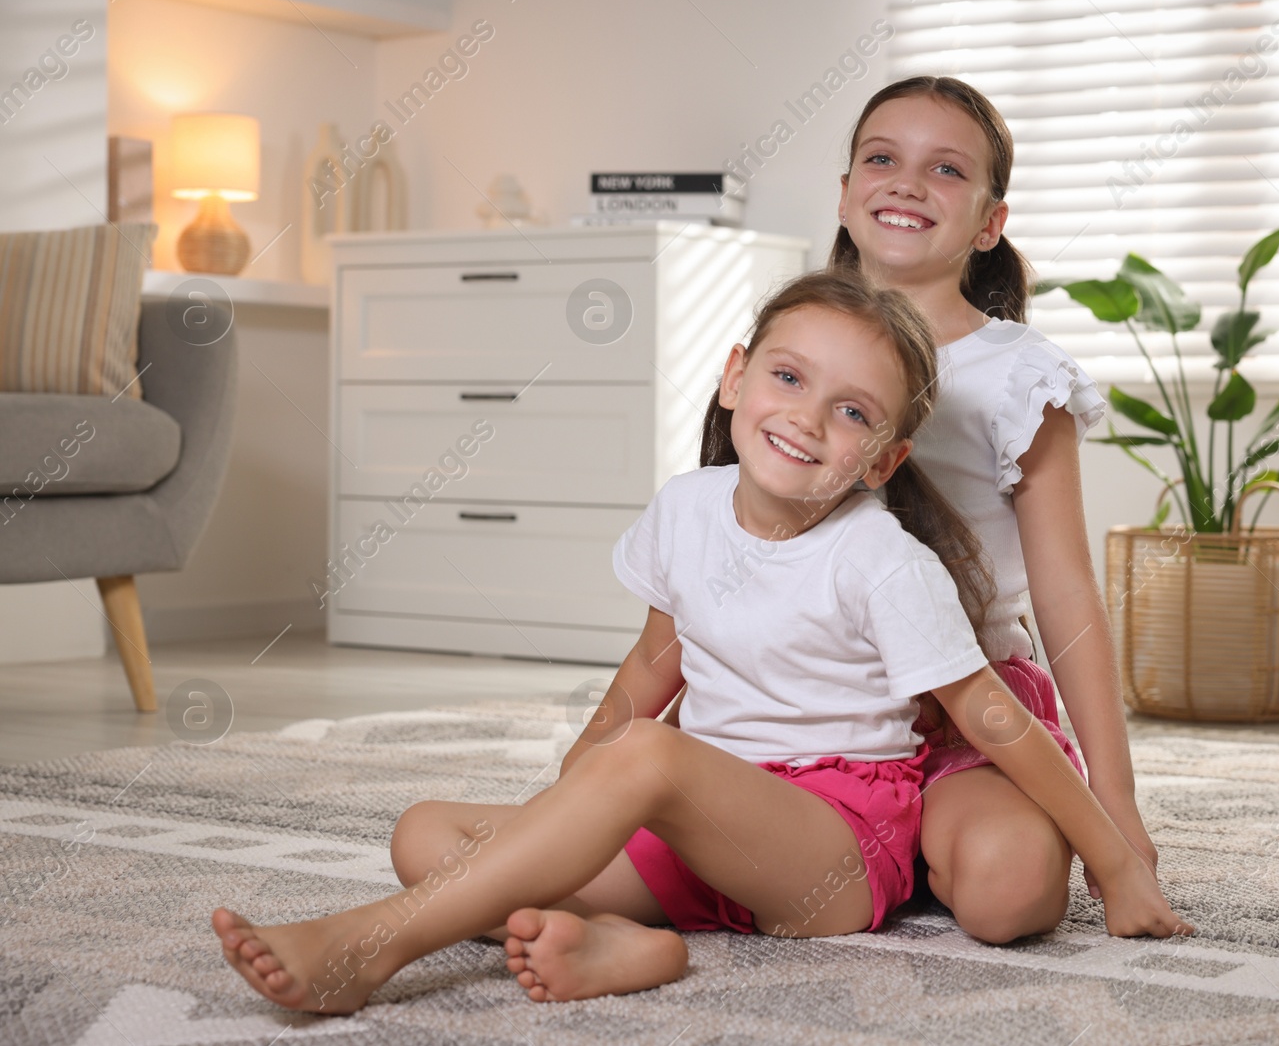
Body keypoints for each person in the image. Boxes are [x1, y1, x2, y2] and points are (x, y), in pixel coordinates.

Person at [210, 269, 1188, 1016]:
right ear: (733, 377)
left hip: (829, 847)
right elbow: (646, 671)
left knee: (640, 762)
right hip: (697, 820)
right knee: (424, 831)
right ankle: (638, 948)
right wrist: (568, 812)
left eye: (851, 411)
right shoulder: (686, 509)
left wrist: (1114, 859)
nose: (807, 416)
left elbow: (992, 716)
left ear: (885, 458)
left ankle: (369, 947)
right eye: (788, 376)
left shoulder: (880, 560)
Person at [827, 75, 1161, 945]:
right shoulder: (797, 346)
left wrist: (1112, 803)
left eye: (944, 169)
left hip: (968, 714)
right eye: (881, 158)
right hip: (808, 699)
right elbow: (725, 542)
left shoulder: (1020, 376)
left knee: (1011, 895)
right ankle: (881, 847)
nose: (905, 182)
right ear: (845, 193)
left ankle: (920, 839)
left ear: (989, 224)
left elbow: (1066, 595)